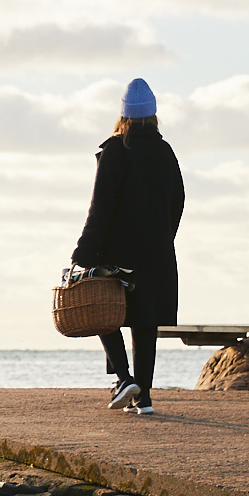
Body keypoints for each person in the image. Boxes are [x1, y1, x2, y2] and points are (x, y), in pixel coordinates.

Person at [71, 77, 183, 415]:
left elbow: (100, 207)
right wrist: (164, 237)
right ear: (153, 115)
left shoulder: (116, 149)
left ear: (123, 115)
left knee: (102, 314)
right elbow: (178, 201)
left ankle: (124, 378)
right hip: (156, 252)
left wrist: (83, 252)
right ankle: (143, 397)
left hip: (117, 253)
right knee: (145, 324)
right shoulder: (165, 151)